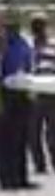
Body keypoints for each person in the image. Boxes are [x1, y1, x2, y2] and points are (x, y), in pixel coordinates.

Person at [0, 9, 35, 191]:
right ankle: (6, 178)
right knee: (5, 139)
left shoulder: (24, 44)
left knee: (21, 138)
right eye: (8, 27)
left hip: (22, 94)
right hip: (5, 93)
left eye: (14, 26)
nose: (11, 30)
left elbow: (29, 66)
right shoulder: (0, 47)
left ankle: (21, 177)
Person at [30, 12, 55, 174]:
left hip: (50, 94)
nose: (38, 28)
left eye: (41, 24)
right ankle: (40, 165)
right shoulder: (29, 46)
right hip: (34, 96)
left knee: (52, 132)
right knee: (33, 134)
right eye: (35, 25)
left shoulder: (52, 45)